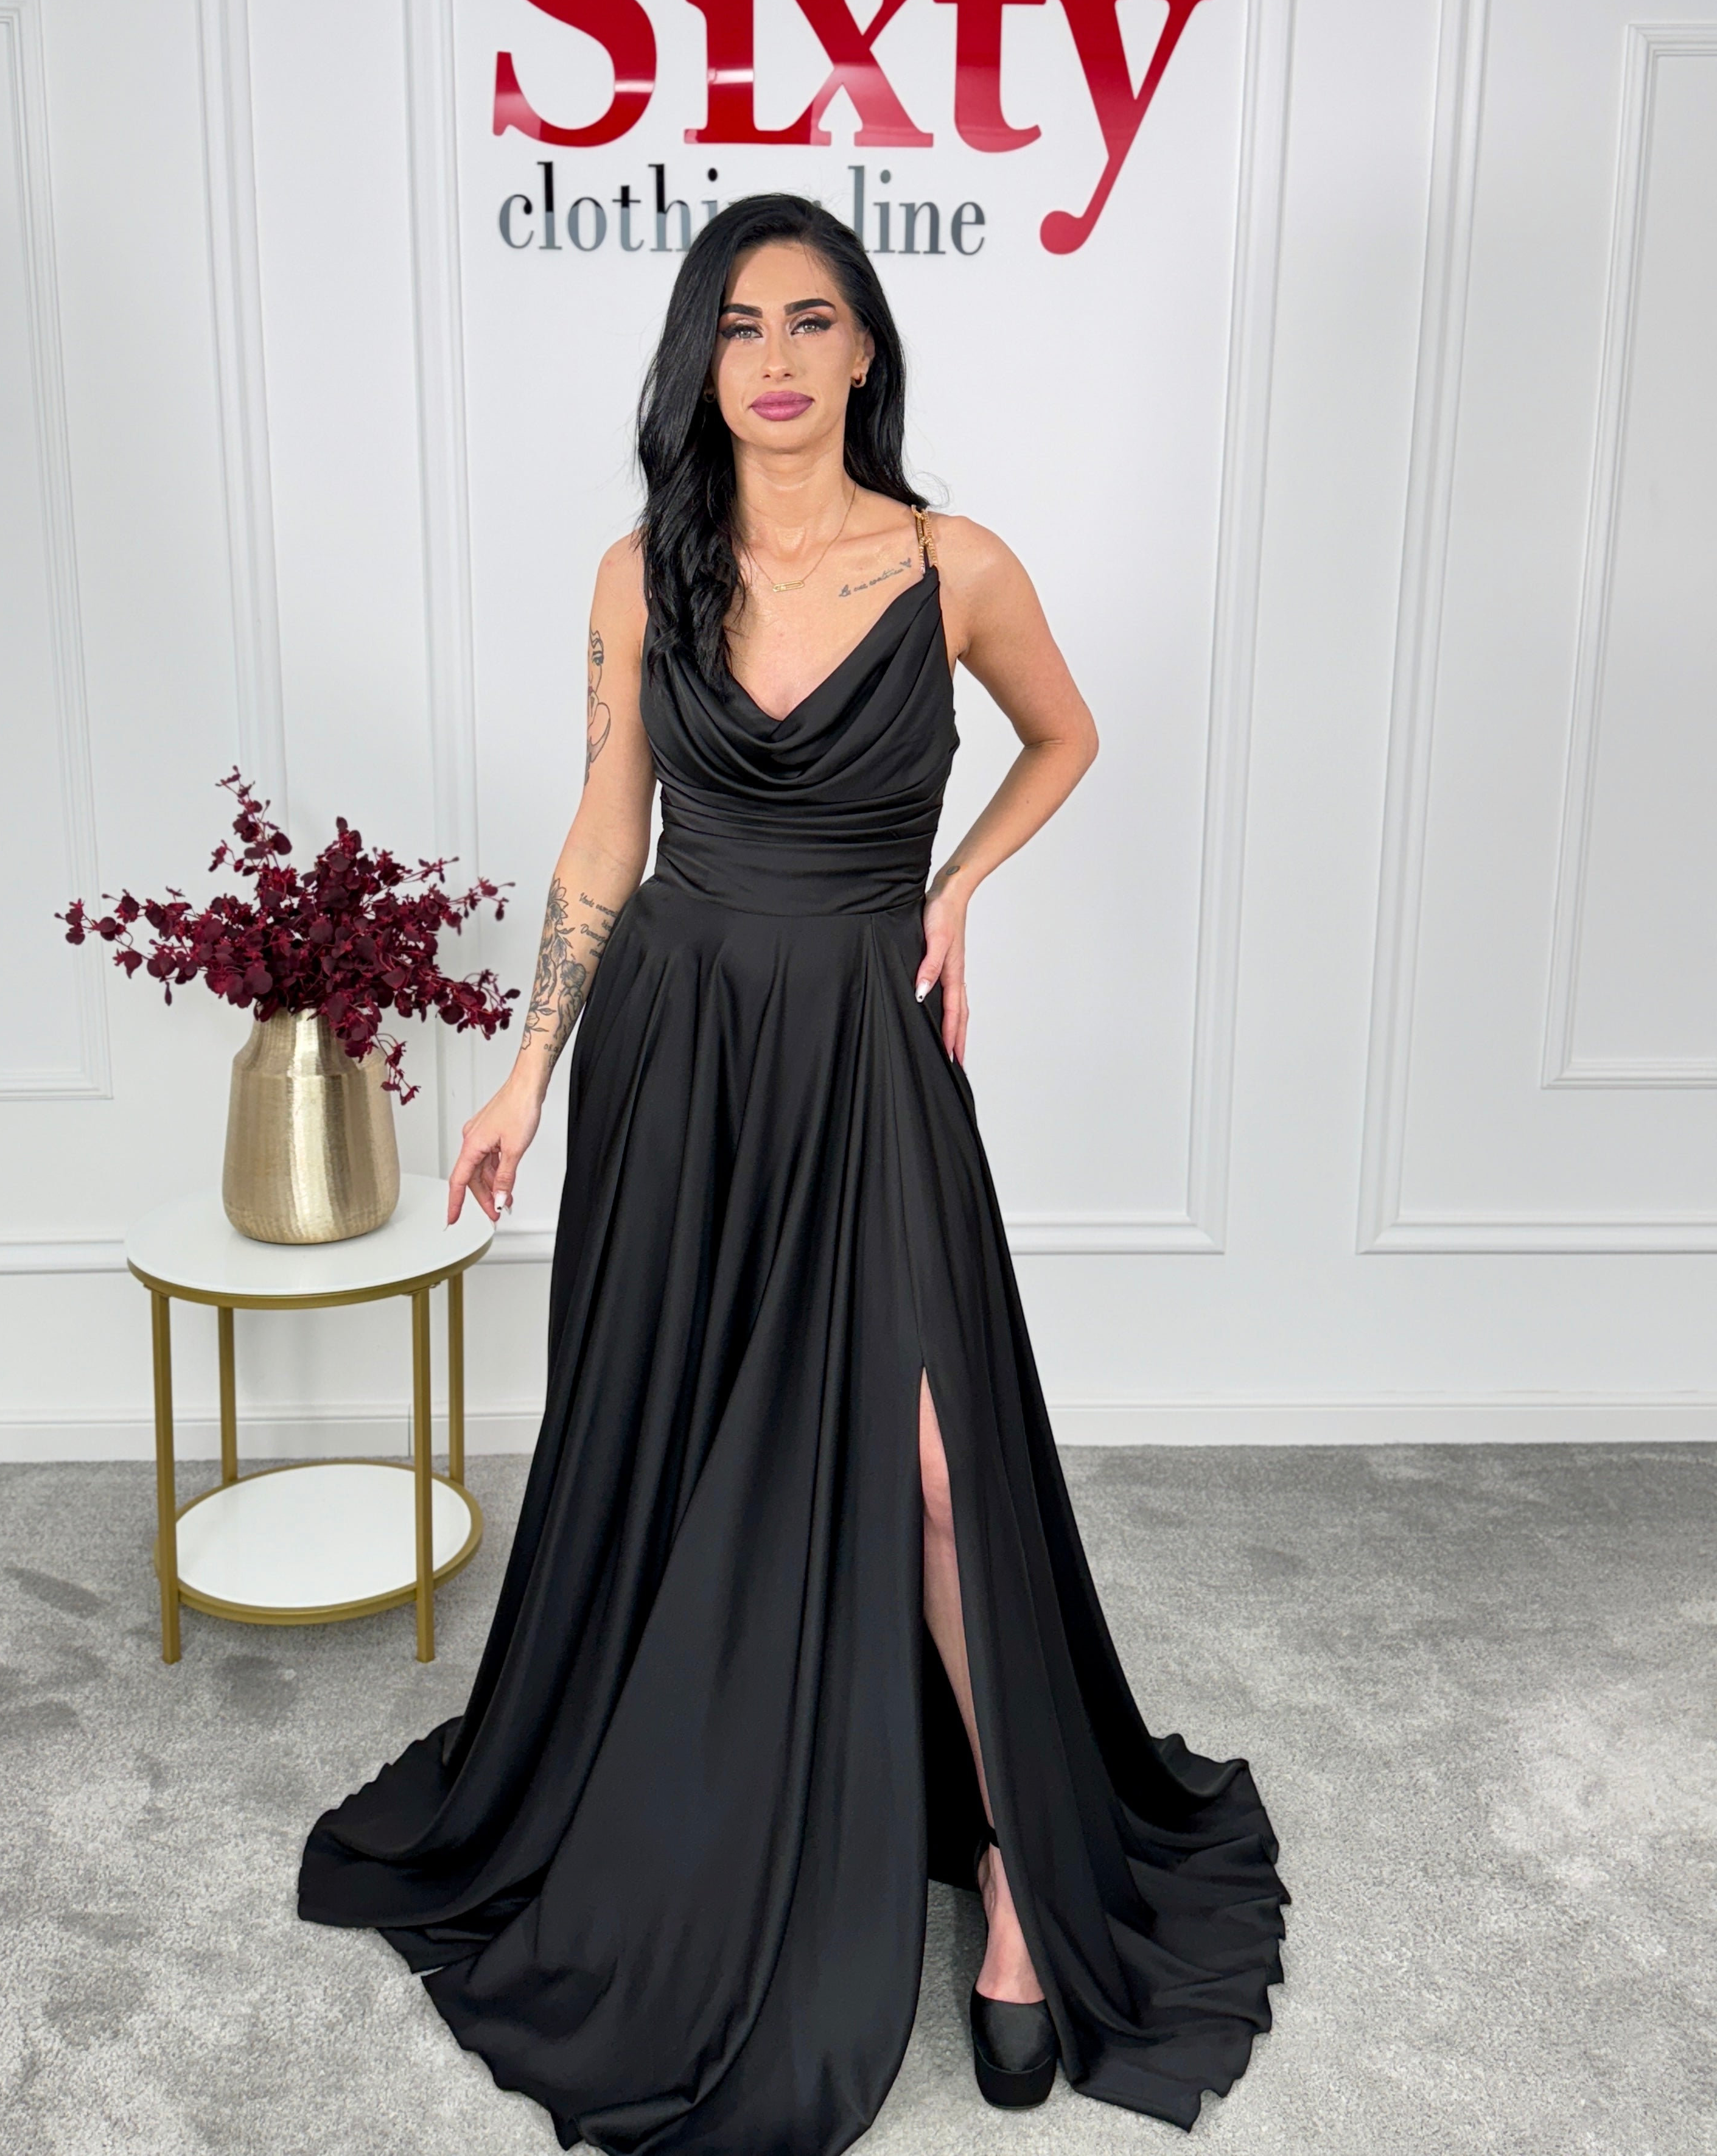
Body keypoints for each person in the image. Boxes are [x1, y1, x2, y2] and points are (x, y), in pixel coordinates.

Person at [299, 193, 1287, 2150]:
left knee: (933, 1470)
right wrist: (524, 1072)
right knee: (685, 1446)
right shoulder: (642, 572)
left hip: (861, 1042)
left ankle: (1018, 1871)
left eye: (810, 319)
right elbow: (605, 835)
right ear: (703, 359)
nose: (773, 357)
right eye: (738, 323)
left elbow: (1066, 737)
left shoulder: (953, 563)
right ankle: (711, 1804)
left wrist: (958, 889)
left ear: (864, 351)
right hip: (679, 1050)